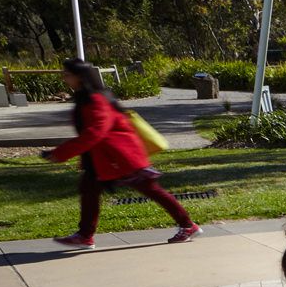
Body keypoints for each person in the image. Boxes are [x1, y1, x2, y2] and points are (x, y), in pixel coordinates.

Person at [42, 58, 200, 248]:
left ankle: (188, 225)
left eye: (67, 74)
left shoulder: (96, 99)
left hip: (122, 157)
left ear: (80, 77)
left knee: (151, 190)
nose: (64, 78)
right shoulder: (87, 98)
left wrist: (61, 153)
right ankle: (85, 235)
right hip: (107, 159)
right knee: (89, 190)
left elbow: (95, 132)